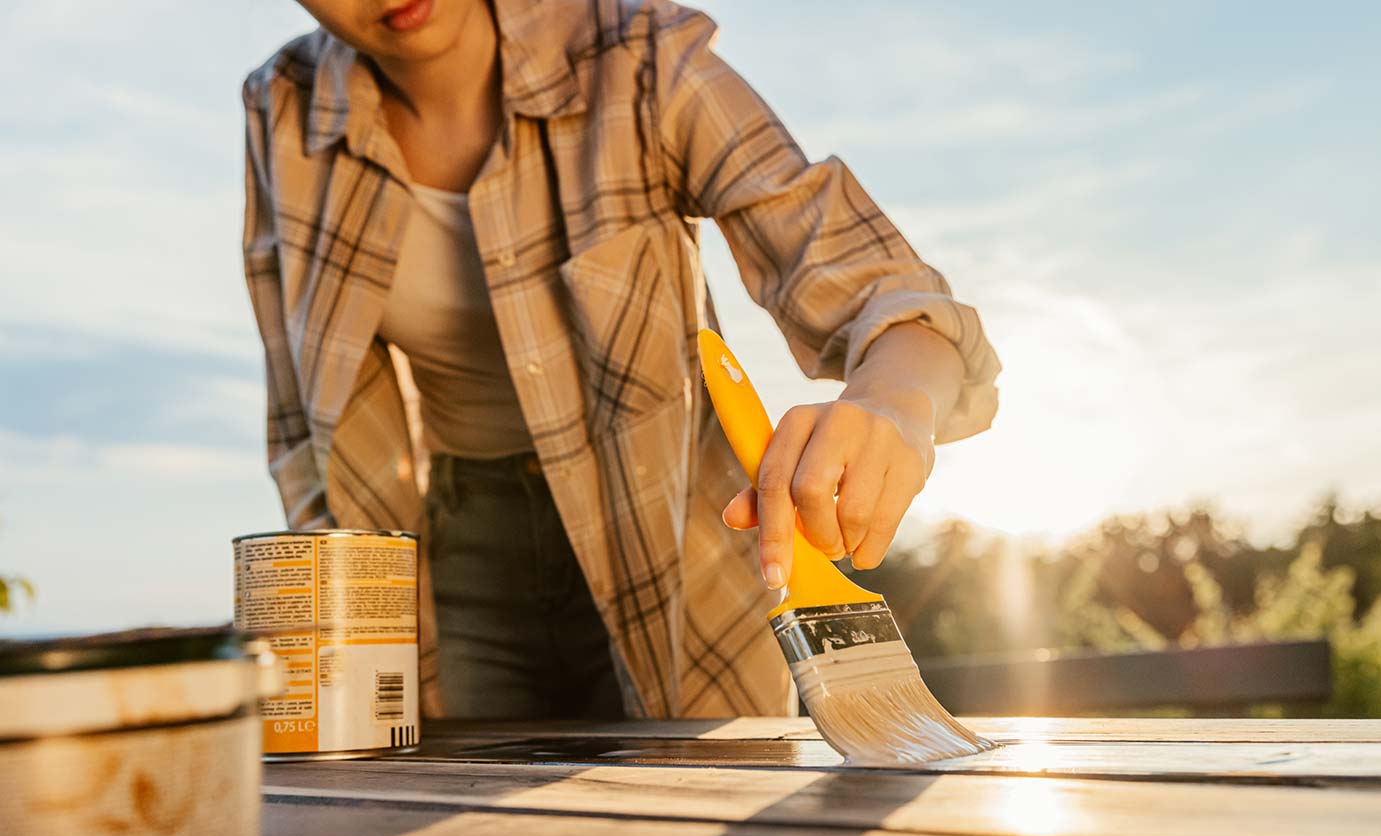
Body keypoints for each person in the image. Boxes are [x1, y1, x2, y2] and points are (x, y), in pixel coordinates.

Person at [242, 0, 1001, 721]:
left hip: (681, 541)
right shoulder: (282, 109)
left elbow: (871, 278)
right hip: (457, 555)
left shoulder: (638, 55)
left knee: (710, 829)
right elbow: (300, 420)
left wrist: (895, 403)